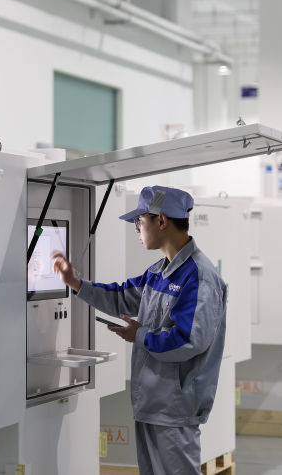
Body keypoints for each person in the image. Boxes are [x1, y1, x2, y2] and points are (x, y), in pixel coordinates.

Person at [52, 185, 227, 475]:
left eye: (139, 220)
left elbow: (189, 340)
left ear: (162, 221)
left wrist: (140, 335)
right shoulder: (158, 271)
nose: (136, 228)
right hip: (152, 402)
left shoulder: (198, 276)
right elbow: (121, 296)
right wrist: (76, 283)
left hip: (175, 409)